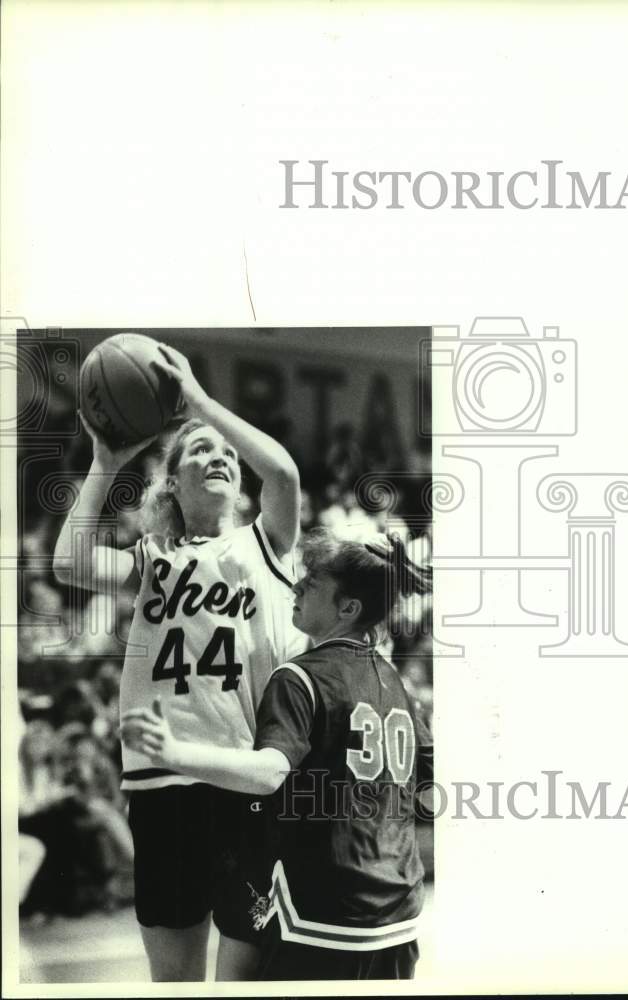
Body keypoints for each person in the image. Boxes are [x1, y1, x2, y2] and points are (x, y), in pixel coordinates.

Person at [53, 344, 305, 981]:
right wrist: (105, 463)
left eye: (226, 452)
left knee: (244, 975)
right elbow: (69, 564)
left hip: (238, 770)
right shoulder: (152, 554)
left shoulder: (263, 544)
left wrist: (196, 402)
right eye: (199, 450)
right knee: (174, 979)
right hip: (159, 778)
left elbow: (284, 477)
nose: (218, 455)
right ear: (173, 481)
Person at [122, 528, 433, 981]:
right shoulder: (396, 682)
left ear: (348, 608)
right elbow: (430, 782)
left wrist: (175, 752)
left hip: (324, 912)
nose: (297, 585)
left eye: (313, 584)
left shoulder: (298, 677)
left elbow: (269, 774)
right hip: (399, 913)